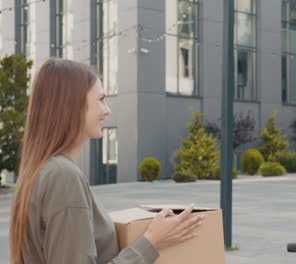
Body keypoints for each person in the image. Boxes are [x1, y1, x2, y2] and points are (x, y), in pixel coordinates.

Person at [9, 58, 204, 264]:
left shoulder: (43, 170)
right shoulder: (63, 176)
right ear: (71, 105)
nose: (107, 110)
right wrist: (151, 242)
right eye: (101, 99)